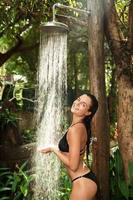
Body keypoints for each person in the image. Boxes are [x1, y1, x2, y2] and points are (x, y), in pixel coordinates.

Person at [38, 93, 98, 200]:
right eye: (78, 99)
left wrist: (53, 149)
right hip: (84, 180)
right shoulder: (80, 127)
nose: (77, 103)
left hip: (83, 182)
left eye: (83, 104)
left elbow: (73, 165)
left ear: (88, 112)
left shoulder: (75, 129)